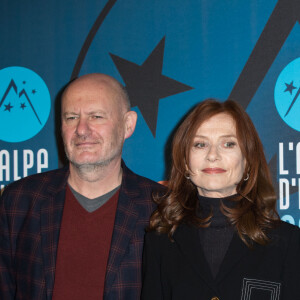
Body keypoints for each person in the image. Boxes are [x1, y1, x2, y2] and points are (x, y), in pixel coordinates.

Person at [0, 73, 163, 299]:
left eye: (96, 116)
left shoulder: (162, 208)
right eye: (71, 117)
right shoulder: (19, 201)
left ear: (128, 125)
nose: (82, 129)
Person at [141, 99, 300, 299]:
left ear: (248, 161)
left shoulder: (289, 243)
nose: (212, 155)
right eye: (200, 144)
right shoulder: (160, 241)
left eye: (228, 144)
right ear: (185, 161)